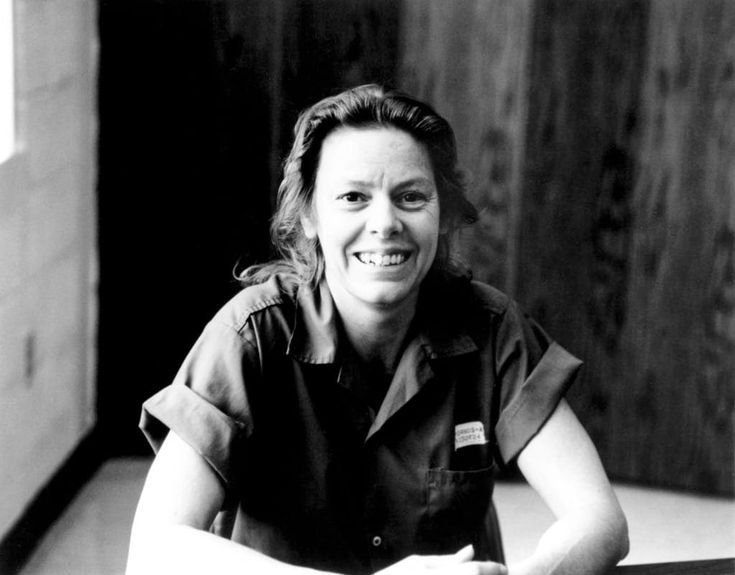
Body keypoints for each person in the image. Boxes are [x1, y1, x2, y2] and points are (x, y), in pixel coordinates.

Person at [126, 85, 629, 575]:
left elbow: (600, 520)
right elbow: (154, 551)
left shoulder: (492, 330)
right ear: (308, 216)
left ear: (444, 214)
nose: (385, 222)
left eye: (411, 196)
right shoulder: (251, 336)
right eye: (352, 197)